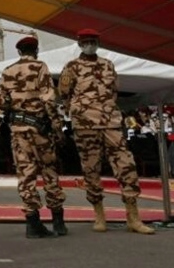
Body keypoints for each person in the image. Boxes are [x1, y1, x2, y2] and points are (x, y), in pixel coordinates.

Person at [58, 29, 154, 235]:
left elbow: (114, 90)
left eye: (93, 41)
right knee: (91, 169)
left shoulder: (108, 65)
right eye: (86, 41)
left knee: (126, 166)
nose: (90, 44)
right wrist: (78, 112)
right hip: (85, 124)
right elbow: (64, 94)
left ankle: (133, 217)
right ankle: (99, 215)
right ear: (80, 44)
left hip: (111, 122)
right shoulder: (71, 67)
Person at [0, 36, 65, 238]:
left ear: (19, 52)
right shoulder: (40, 67)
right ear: (36, 49)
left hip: (18, 131)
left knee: (26, 175)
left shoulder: (8, 71)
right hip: (40, 129)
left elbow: (1, 101)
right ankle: (58, 220)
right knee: (49, 171)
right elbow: (49, 100)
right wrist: (57, 128)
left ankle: (33, 222)